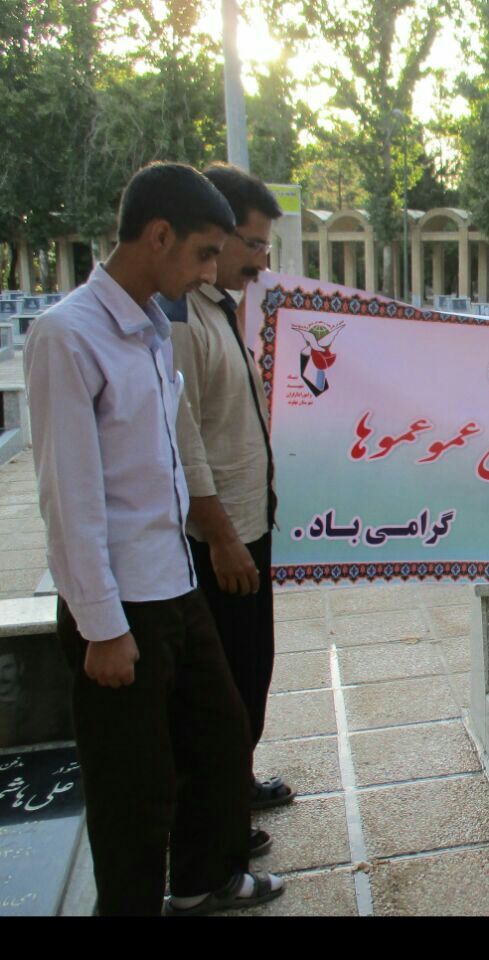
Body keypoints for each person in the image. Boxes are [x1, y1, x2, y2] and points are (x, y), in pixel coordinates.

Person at [23, 162, 283, 915]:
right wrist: (104, 629)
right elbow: (69, 500)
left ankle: (205, 879)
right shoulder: (67, 337)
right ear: (159, 235)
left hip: (174, 583)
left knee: (220, 734)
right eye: (206, 253)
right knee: (133, 793)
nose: (214, 269)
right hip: (120, 604)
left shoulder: (147, 328)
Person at [157, 164, 293, 845]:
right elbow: (183, 443)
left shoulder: (226, 310)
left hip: (250, 522)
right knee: (221, 689)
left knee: (252, 671)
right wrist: (221, 537)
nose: (260, 259)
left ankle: (234, 785)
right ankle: (216, 827)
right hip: (220, 540)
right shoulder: (181, 320)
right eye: (250, 243)